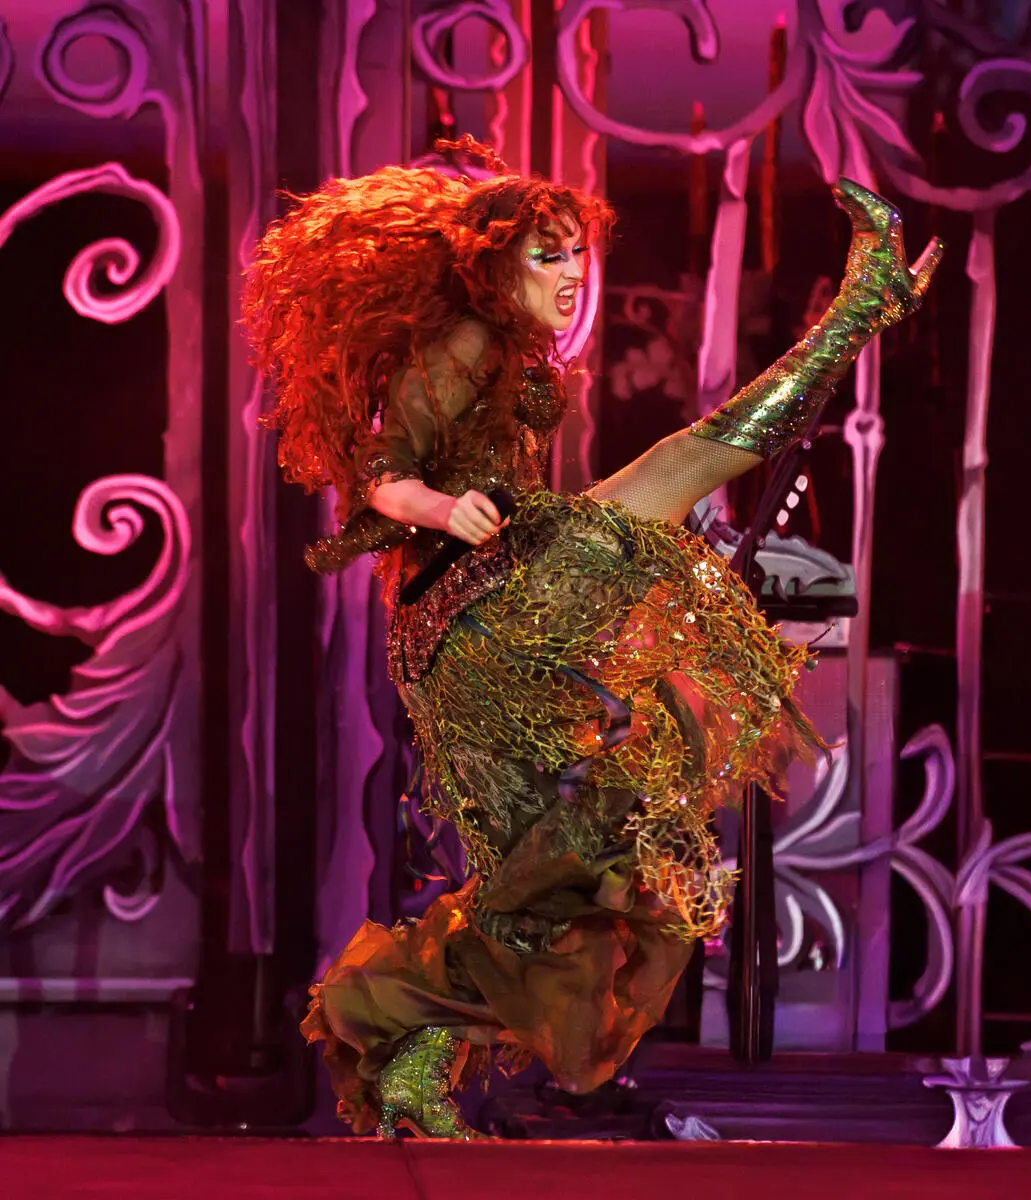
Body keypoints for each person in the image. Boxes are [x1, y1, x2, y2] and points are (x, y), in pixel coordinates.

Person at [242, 136, 941, 1139]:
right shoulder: (467, 342)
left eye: (578, 254)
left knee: (554, 879)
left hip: (479, 629)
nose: (572, 275)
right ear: (492, 265)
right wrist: (441, 510)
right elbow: (380, 475)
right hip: (478, 607)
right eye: (548, 255)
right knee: (685, 462)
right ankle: (864, 303)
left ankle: (416, 1069)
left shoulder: (505, 352)